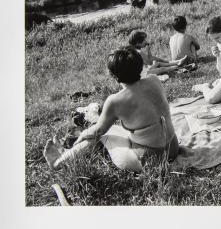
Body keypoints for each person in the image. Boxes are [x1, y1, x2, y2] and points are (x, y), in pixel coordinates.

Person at [43, 47, 179, 172]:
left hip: (149, 160)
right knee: (114, 128)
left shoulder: (115, 100)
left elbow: (98, 130)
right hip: (173, 148)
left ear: (113, 75)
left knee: (99, 135)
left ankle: (58, 162)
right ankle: (67, 153)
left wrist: (82, 135)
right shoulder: (154, 80)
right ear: (140, 66)